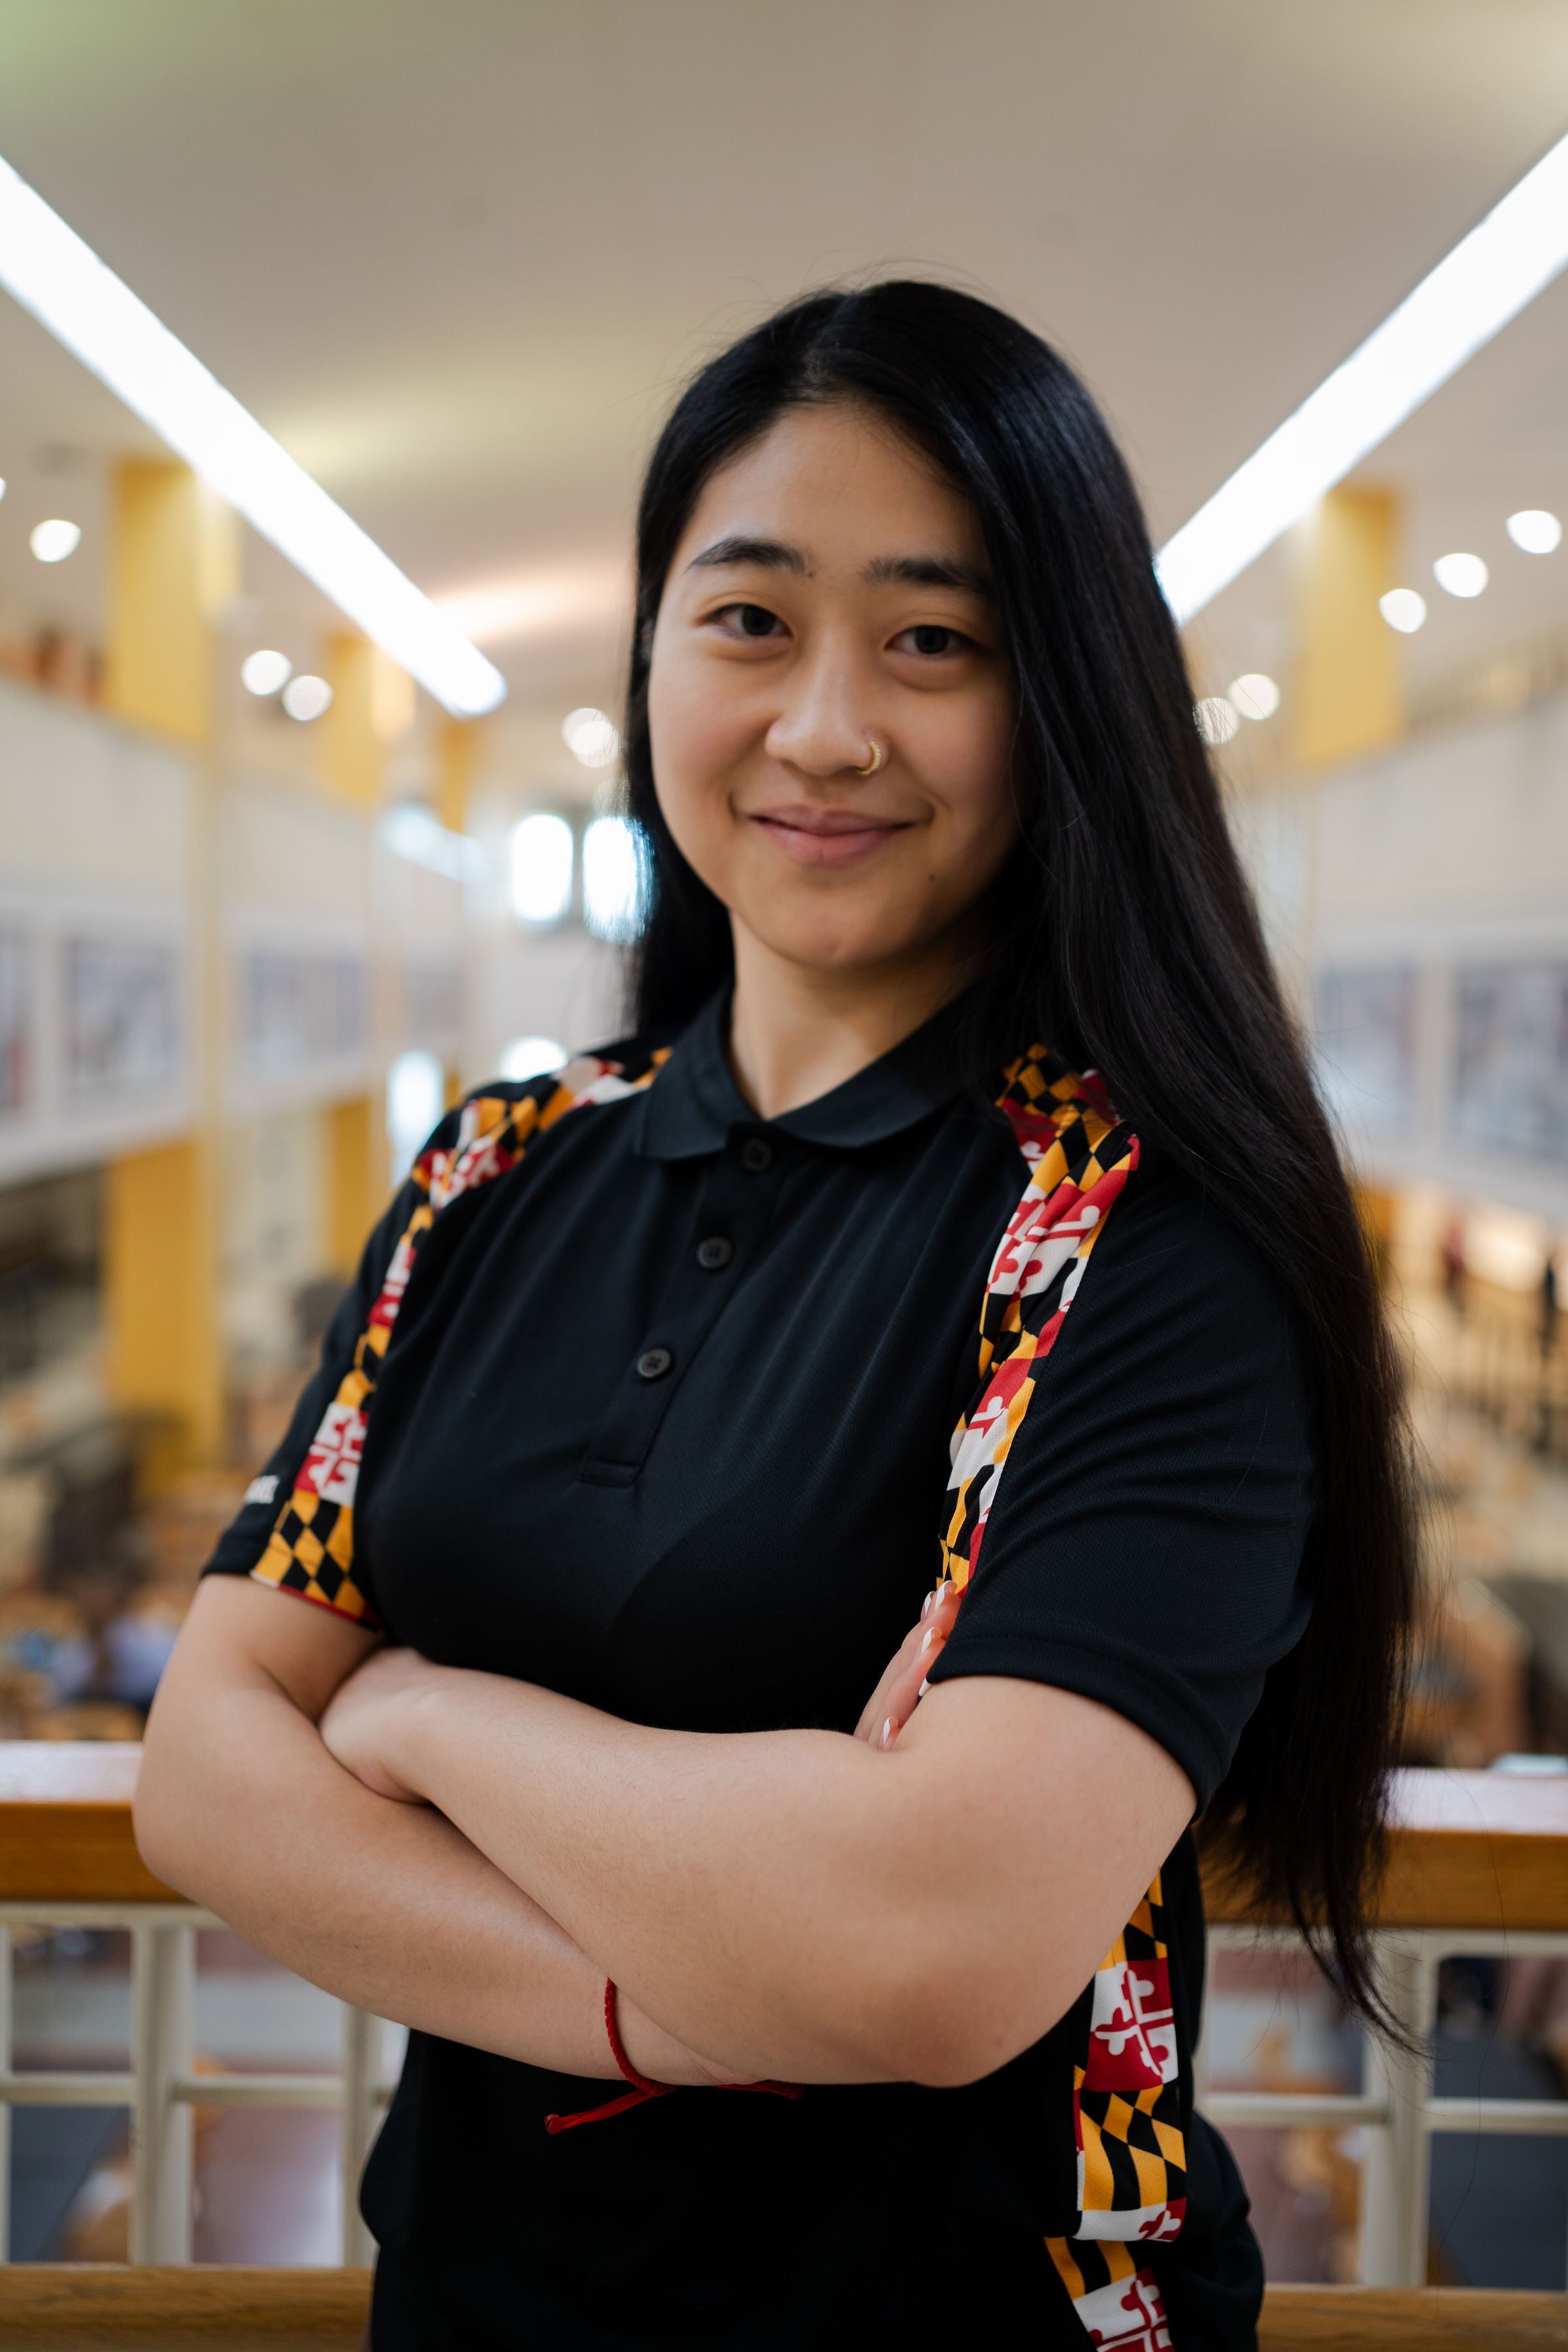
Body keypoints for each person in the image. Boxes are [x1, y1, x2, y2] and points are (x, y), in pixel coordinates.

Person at [136, 282, 1415, 2351]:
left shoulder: (1144, 1234)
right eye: (749, 619)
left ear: (1067, 697)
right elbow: (203, 1774)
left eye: (935, 642)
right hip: (478, 2308)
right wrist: (676, 2002)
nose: (825, 728)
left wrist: (420, 1717)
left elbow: (931, 1954)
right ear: (651, 656)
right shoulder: (491, 1170)